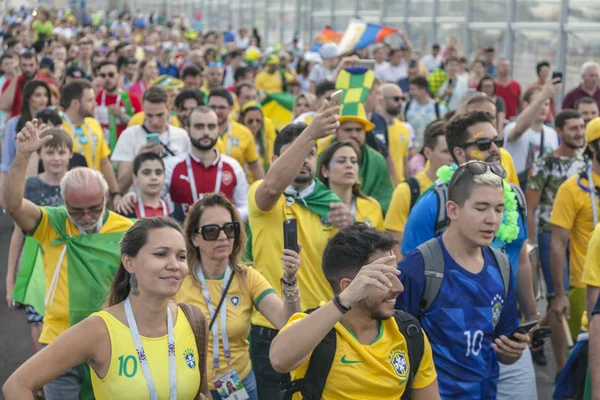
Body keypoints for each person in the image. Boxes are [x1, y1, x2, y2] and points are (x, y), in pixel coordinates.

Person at [401, 111, 538, 399]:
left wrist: (514, 349)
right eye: (481, 208)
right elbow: (395, 347)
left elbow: (503, 346)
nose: (492, 220)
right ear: (452, 210)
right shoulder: (420, 264)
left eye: (499, 210)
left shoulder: (500, 265)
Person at [2, 216, 211, 400]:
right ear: (129, 263)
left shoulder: (193, 319)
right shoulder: (99, 329)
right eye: (160, 254)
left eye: (181, 256)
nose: (174, 264)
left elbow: (202, 393)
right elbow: (17, 386)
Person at [2, 119, 134, 399]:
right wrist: (23, 154)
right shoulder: (53, 222)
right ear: (63, 202)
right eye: (77, 210)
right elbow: (12, 204)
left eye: (94, 208)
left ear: (106, 198)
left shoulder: (127, 230)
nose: (86, 217)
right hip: (60, 342)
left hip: (113, 341)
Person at [247, 106, 353, 399]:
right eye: (295, 152)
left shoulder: (331, 204)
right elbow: (271, 185)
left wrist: (349, 228)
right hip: (272, 327)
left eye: (310, 153)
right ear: (275, 160)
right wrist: (311, 132)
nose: (303, 160)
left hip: (322, 325)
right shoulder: (262, 192)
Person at [271, 223, 440, 399]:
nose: (399, 287)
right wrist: (344, 300)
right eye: (385, 278)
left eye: (396, 275)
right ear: (349, 286)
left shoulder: (408, 332)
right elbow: (279, 360)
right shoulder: (314, 330)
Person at [176, 193, 301, 400]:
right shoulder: (179, 278)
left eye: (229, 228)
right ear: (194, 238)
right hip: (191, 388)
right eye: (211, 231)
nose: (223, 237)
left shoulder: (247, 277)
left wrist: (289, 279)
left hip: (239, 386)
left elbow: (287, 322)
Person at [526, 109, 586, 368]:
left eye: (582, 127)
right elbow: (530, 209)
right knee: (557, 299)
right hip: (551, 237)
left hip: (581, 238)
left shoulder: (587, 163)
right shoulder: (544, 163)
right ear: (559, 131)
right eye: (573, 128)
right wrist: (531, 249)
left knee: (570, 298)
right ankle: (562, 369)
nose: (579, 132)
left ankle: (529, 334)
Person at [5, 128, 72, 357]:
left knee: (67, 320)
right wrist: (10, 279)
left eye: (61, 152)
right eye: (50, 152)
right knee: (37, 324)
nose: (56, 158)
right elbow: (18, 234)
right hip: (35, 264)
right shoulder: (31, 185)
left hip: (68, 264)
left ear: (70, 155)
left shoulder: (78, 182)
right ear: (40, 154)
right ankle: (42, 382)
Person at [550, 117, 600, 346]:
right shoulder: (571, 189)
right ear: (591, 146)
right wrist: (560, 294)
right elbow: (558, 244)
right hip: (585, 285)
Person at [385, 121, 453, 259]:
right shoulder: (407, 190)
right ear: (428, 152)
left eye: (455, 150)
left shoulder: (463, 188)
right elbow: (395, 244)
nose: (452, 157)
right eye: (446, 151)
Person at [317, 100, 394, 214]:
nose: (354, 135)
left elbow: (386, 197)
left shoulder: (377, 160)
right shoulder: (321, 156)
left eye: (358, 130)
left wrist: (363, 212)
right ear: (336, 131)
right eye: (348, 130)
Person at [112, 87, 190, 194]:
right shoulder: (129, 135)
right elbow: (121, 185)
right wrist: (138, 158)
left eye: (160, 115)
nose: (154, 121)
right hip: (138, 202)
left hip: (173, 202)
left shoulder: (181, 136)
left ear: (169, 109)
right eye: (149, 115)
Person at [60, 79, 121, 204]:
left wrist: (115, 193)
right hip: (70, 196)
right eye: (90, 100)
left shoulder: (93, 124)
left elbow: (104, 161)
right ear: (75, 103)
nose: (95, 103)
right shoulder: (58, 127)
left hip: (96, 193)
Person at [504, 78, 561, 188]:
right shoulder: (511, 127)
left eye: (546, 104)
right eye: (539, 102)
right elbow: (518, 130)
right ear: (525, 105)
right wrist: (543, 95)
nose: (543, 107)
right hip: (517, 188)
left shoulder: (552, 133)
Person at [318, 141, 384, 230]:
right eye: (341, 161)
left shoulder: (372, 206)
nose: (349, 165)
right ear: (325, 170)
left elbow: (382, 243)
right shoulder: (314, 207)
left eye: (354, 161)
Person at [208, 88, 265, 182]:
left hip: (235, 189)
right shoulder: (199, 132)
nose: (217, 111)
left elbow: (255, 166)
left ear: (230, 108)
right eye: (213, 107)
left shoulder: (244, 133)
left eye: (222, 107)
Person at [464, 95, 520, 186]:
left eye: (488, 116)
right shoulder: (454, 155)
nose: (484, 121)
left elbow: (514, 195)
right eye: (476, 117)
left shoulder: (504, 155)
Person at [94, 61, 142, 149]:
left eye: (111, 75)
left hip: (126, 148)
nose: (107, 78)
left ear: (119, 75)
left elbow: (141, 127)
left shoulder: (132, 98)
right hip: (101, 149)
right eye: (103, 75)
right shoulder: (95, 97)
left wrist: (122, 116)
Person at [0, 52, 56, 118]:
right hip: (18, 124)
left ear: (37, 65)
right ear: (19, 66)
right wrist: (15, 78)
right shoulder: (11, 82)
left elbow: (53, 105)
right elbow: (3, 106)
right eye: (24, 65)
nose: (28, 69)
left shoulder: (48, 82)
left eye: (31, 65)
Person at [380, 83, 414, 180]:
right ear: (382, 100)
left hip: (399, 187)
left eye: (402, 99)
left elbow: (404, 161)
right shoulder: (373, 127)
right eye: (396, 99)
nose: (400, 102)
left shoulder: (404, 128)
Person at [122, 152, 171, 219]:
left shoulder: (173, 210)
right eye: (146, 173)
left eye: (158, 173)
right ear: (135, 178)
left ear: (164, 176)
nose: (153, 177)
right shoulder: (126, 209)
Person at [404, 76, 448, 147]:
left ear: (423, 89)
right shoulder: (405, 107)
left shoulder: (439, 108)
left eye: (413, 89)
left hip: (432, 148)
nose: (411, 92)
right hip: (412, 149)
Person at [238, 101, 275, 182]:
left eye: (258, 121)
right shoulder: (237, 141)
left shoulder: (266, 143)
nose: (254, 124)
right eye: (250, 121)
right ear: (242, 120)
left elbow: (269, 167)